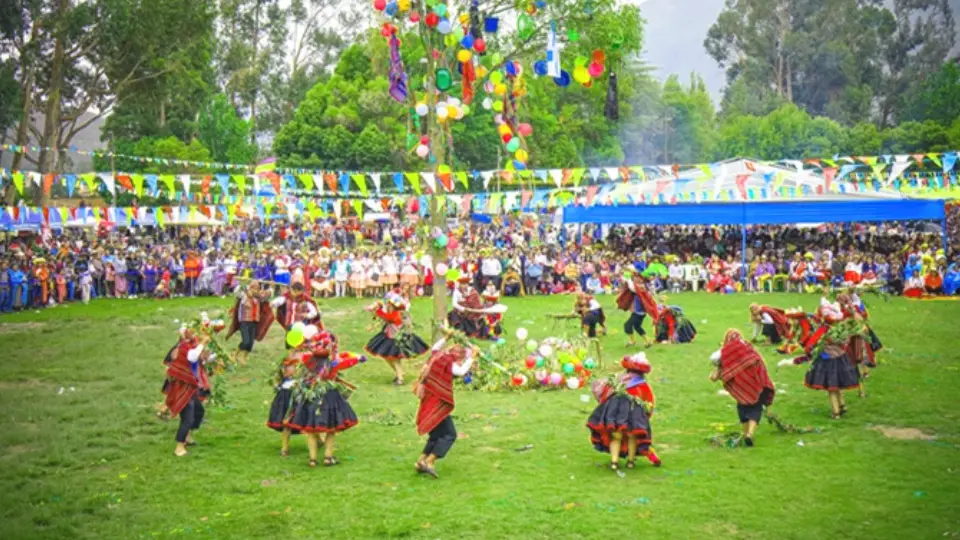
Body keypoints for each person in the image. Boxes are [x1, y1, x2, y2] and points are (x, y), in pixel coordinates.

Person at [286, 332, 364, 467]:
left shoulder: (307, 359)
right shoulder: (333, 363)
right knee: (331, 428)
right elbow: (347, 361)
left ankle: (312, 460)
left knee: (311, 430)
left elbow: (300, 354)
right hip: (329, 397)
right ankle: (328, 457)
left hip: (311, 396)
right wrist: (359, 358)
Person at [412, 331, 478, 479]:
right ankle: (429, 462)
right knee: (450, 434)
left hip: (428, 400)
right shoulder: (448, 363)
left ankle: (420, 462)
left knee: (436, 434)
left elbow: (435, 347)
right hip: (437, 402)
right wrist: (472, 358)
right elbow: (460, 371)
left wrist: (446, 337)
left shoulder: (437, 356)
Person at [586, 352, 661, 471]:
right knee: (632, 436)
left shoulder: (618, 381)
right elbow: (649, 401)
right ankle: (630, 462)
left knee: (616, 437)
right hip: (633, 415)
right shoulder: (642, 385)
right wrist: (646, 416)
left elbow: (605, 394)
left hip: (615, 414)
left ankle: (614, 462)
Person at [709, 329, 776, 447]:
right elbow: (760, 365)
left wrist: (717, 372)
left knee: (743, 408)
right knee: (756, 409)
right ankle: (749, 434)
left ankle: (745, 434)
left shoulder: (726, 353)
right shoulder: (749, 349)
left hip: (740, 388)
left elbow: (715, 372)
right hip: (756, 385)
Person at [163, 327, 213, 457]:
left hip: (191, 387)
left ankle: (188, 436)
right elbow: (192, 357)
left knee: (199, 412)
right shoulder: (184, 347)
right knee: (187, 418)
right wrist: (202, 343)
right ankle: (179, 448)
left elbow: (202, 358)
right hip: (182, 387)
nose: (195, 334)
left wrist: (216, 356)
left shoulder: (193, 345)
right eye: (192, 332)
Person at [364, 292, 429, 385]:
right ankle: (400, 374)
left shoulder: (396, 314)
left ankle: (400, 379)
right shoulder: (396, 312)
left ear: (393, 305)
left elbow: (385, 316)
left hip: (396, 339)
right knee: (388, 357)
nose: (387, 306)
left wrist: (376, 309)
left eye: (389, 304)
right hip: (390, 336)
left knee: (394, 359)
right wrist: (378, 306)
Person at [226, 280, 273, 366]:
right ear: (250, 288)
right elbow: (236, 291)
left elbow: (268, 295)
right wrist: (242, 283)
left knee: (251, 343)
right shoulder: (244, 295)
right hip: (244, 321)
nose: (255, 290)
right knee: (246, 341)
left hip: (254, 321)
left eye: (257, 288)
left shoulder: (259, 297)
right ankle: (235, 355)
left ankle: (244, 357)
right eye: (253, 288)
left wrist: (271, 286)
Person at [617, 274, 657, 348]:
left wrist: (628, 279)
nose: (635, 279)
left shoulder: (641, 287)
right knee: (637, 326)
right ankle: (647, 340)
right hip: (640, 312)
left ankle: (632, 341)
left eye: (636, 278)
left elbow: (632, 288)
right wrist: (623, 278)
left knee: (627, 325)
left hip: (639, 312)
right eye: (634, 278)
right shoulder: (642, 286)